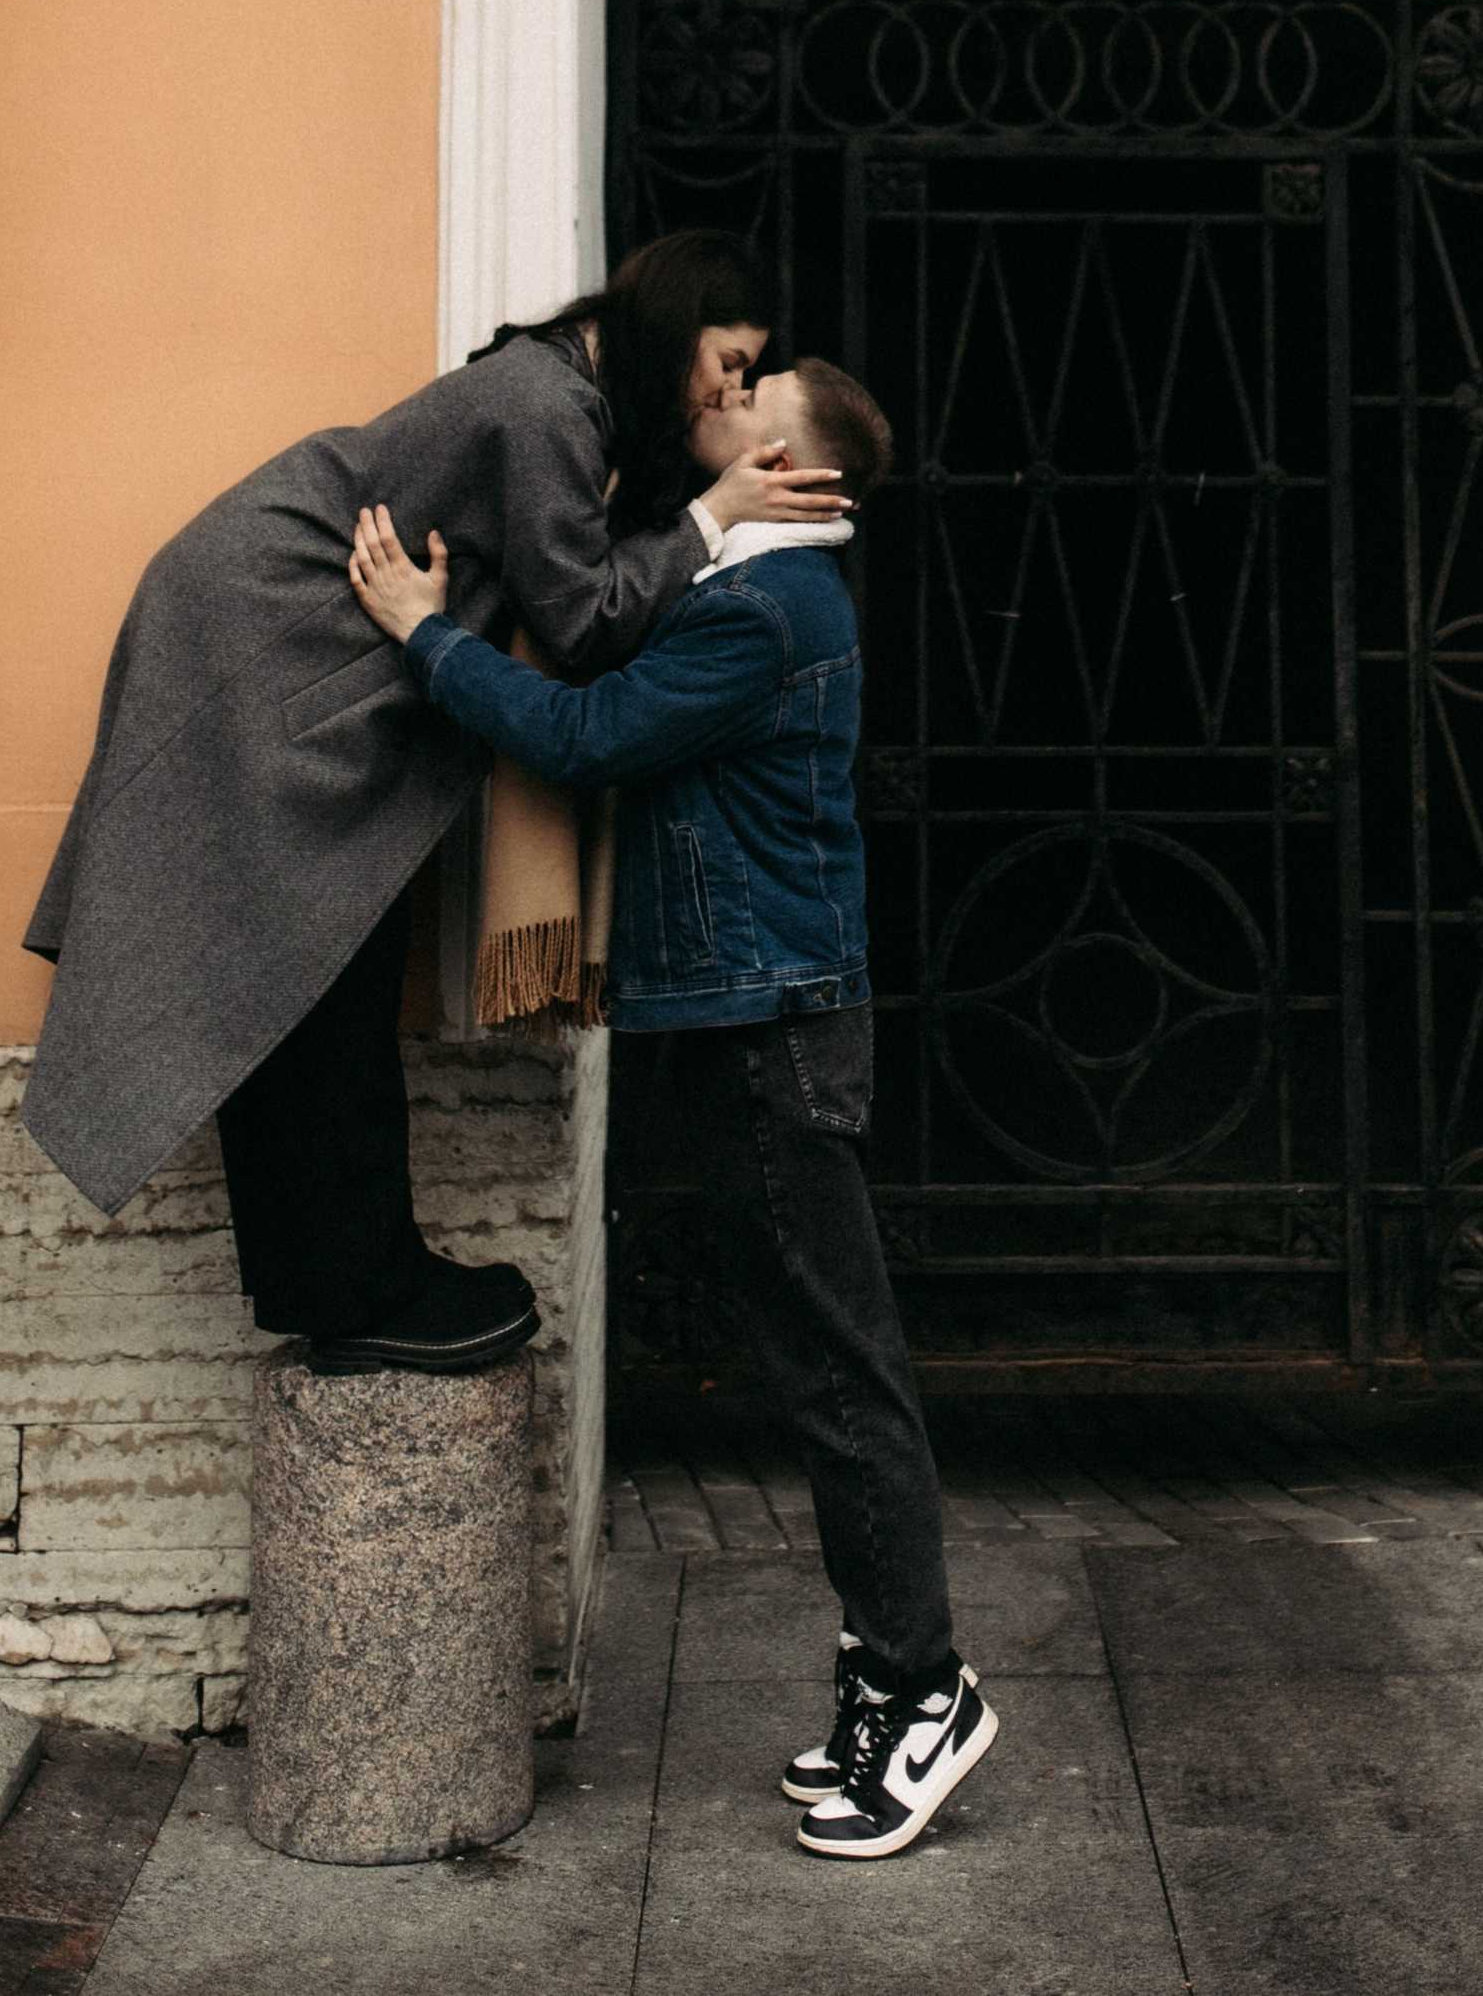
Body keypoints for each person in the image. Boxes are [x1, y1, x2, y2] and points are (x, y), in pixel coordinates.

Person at [348, 356, 999, 1863]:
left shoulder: (767, 611)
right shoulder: (748, 590)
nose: (718, 383)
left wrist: (423, 634)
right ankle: (883, 1673)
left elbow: (583, 736)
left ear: (786, 456)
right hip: (748, 1012)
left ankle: (923, 1689)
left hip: (768, 1022)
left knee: (842, 1370)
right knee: (817, 1356)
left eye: (748, 385)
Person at [20, 231, 844, 1374]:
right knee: (321, 959)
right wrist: (710, 517)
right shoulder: (548, 405)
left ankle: (334, 1281)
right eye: (732, 359)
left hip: (275, 633)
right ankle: (362, 1286)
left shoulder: (569, 388)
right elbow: (584, 621)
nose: (731, 390)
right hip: (264, 633)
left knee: (312, 964)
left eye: (748, 377)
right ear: (681, 320)